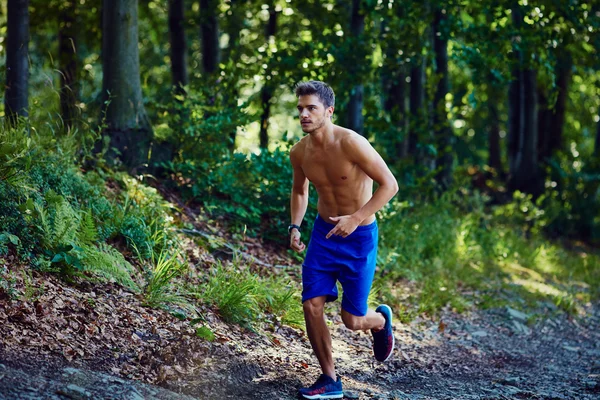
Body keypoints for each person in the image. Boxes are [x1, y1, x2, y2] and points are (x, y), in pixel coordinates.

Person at [289, 80, 399, 399]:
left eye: (311, 108)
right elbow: (300, 191)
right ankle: (329, 379)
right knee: (311, 303)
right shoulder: (299, 153)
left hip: (359, 236)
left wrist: (356, 218)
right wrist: (295, 226)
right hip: (324, 235)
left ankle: (379, 321)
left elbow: (389, 185)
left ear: (329, 111)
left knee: (352, 320)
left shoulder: (352, 143)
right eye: (300, 109)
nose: (304, 115)